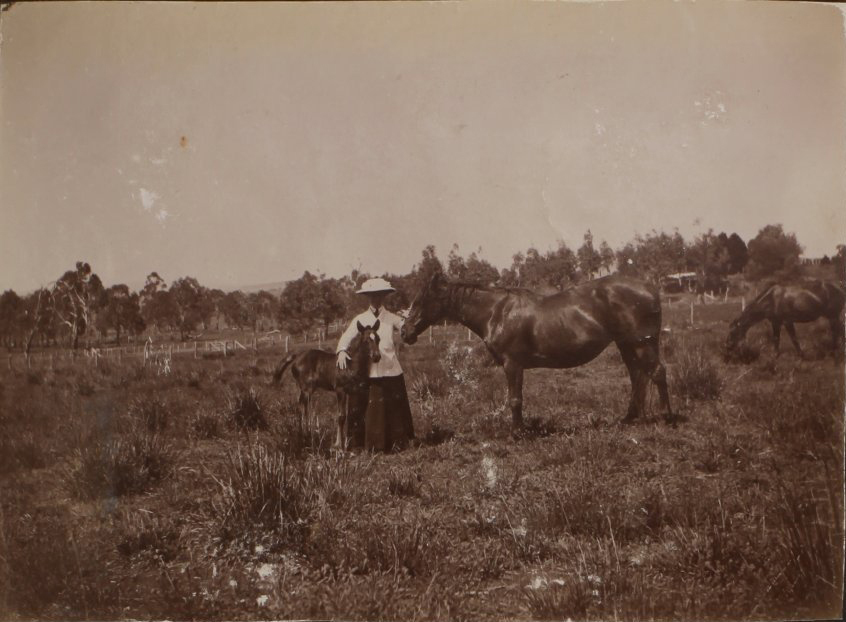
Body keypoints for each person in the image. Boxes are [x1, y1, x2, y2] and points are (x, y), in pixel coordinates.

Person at [336, 277, 415, 451]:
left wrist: (408, 322)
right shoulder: (360, 319)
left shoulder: (392, 318)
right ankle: (366, 446)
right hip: (369, 374)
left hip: (390, 370)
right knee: (369, 410)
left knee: (393, 409)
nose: (376, 299)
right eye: (372, 296)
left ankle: (396, 444)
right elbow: (347, 336)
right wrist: (341, 350)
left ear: (384, 297)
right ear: (368, 298)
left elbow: (406, 329)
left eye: (379, 296)